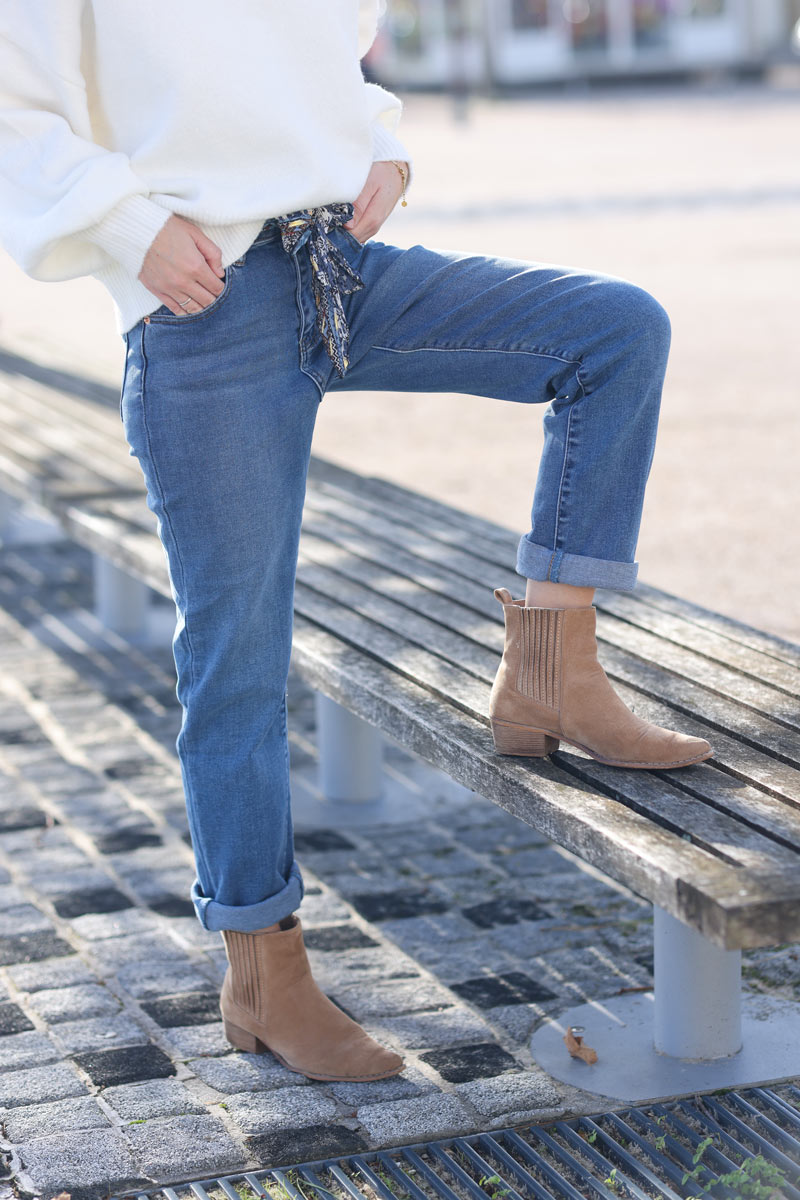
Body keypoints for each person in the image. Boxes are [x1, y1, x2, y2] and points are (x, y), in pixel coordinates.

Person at [0, 1, 711, 1085]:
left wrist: (379, 140)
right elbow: (15, 102)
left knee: (613, 332)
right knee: (236, 662)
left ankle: (551, 675)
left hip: (338, 265)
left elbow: (323, 50)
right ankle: (262, 975)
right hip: (201, 306)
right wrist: (125, 228)